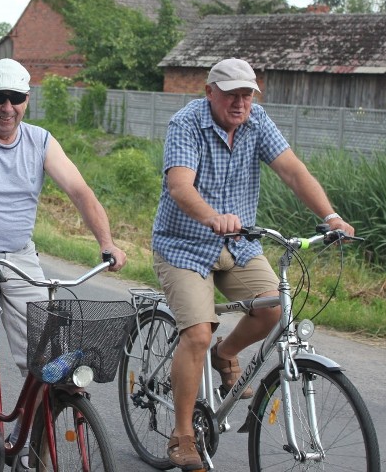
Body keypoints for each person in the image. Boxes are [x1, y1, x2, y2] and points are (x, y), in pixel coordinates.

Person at [151, 58, 354, 470]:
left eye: (247, 94)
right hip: (184, 245)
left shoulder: (257, 121)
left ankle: (226, 354)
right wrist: (211, 216)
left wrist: (331, 217)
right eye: (231, 94)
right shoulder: (186, 123)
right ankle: (183, 434)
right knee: (197, 332)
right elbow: (179, 186)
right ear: (210, 91)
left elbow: (293, 172)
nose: (240, 102)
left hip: (239, 245)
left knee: (275, 309)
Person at [0, 58, 127, 468]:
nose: (7, 107)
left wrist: (106, 241)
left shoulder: (40, 140)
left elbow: (79, 190)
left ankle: (26, 442)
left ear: (26, 100)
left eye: (16, 98)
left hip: (20, 256)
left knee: (49, 358)